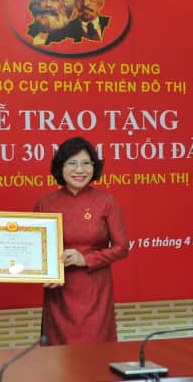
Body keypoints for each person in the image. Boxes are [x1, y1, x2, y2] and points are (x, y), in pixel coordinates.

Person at [34, 137, 129, 345]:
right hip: (59, 292)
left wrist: (85, 259)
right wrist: (44, 271)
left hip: (95, 291)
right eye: (72, 163)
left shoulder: (106, 201)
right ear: (61, 167)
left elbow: (122, 247)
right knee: (58, 354)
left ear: (94, 167)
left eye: (86, 163)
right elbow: (36, 251)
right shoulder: (45, 204)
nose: (80, 170)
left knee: (95, 353)